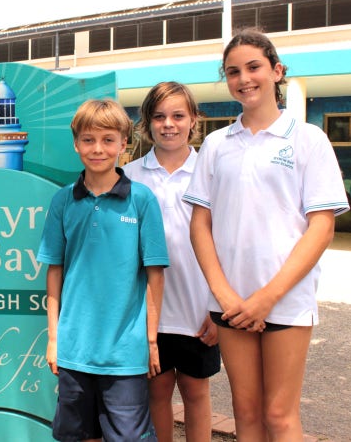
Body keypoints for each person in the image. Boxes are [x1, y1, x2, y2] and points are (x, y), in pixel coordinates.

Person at [183, 28, 349, 441]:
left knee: (279, 415)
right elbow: (200, 223)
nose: (244, 78)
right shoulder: (217, 144)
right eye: (233, 71)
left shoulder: (309, 139)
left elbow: (322, 226)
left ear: (277, 71)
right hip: (231, 302)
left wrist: (267, 298)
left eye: (253, 67)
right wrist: (224, 295)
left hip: (286, 300)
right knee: (246, 412)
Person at [37, 99, 169, 442]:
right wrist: (54, 339)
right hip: (73, 350)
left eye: (108, 139)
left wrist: (151, 341)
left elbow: (155, 276)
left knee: (128, 437)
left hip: (125, 352)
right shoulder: (63, 200)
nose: (98, 149)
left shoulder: (142, 200)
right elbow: (54, 272)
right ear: (76, 143)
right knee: (74, 435)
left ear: (124, 144)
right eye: (88, 139)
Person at [123, 82, 220, 442]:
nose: (169, 124)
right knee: (157, 394)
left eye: (178, 116)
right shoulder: (130, 176)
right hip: (151, 313)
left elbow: (222, 242)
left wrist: (217, 307)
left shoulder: (210, 172)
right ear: (146, 123)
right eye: (159, 116)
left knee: (196, 394)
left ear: (194, 120)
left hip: (199, 312)